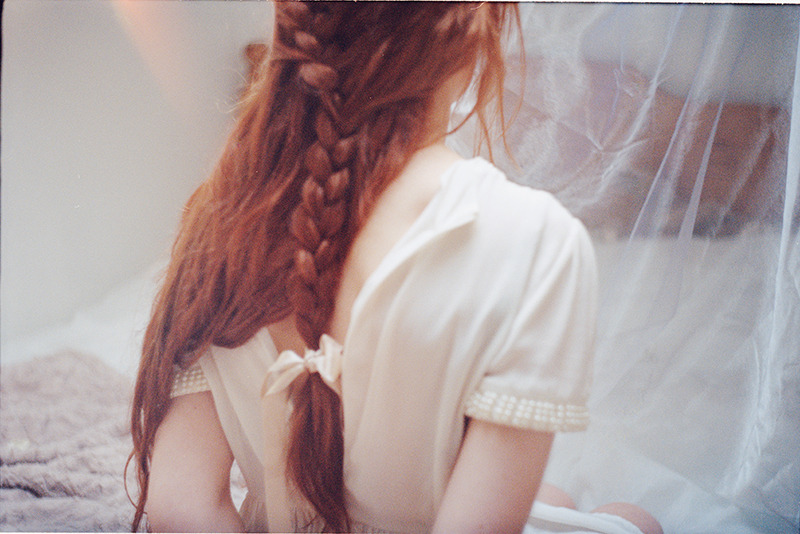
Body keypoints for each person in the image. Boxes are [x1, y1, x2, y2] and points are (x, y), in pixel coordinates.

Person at [128, 3, 662, 533]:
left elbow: (181, 509)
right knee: (633, 521)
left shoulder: (220, 218)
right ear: (468, 42)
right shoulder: (540, 242)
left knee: (555, 498)